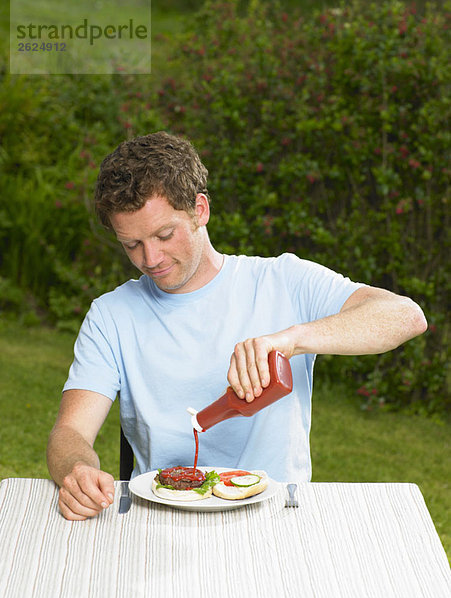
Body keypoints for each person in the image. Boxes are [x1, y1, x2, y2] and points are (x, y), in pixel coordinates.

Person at [47, 131, 427, 520]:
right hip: (160, 517)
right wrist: (77, 470)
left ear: (200, 210)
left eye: (164, 235)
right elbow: (70, 434)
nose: (151, 257)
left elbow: (405, 316)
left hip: (276, 519)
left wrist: (293, 339)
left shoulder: (283, 281)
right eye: (132, 245)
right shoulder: (112, 315)